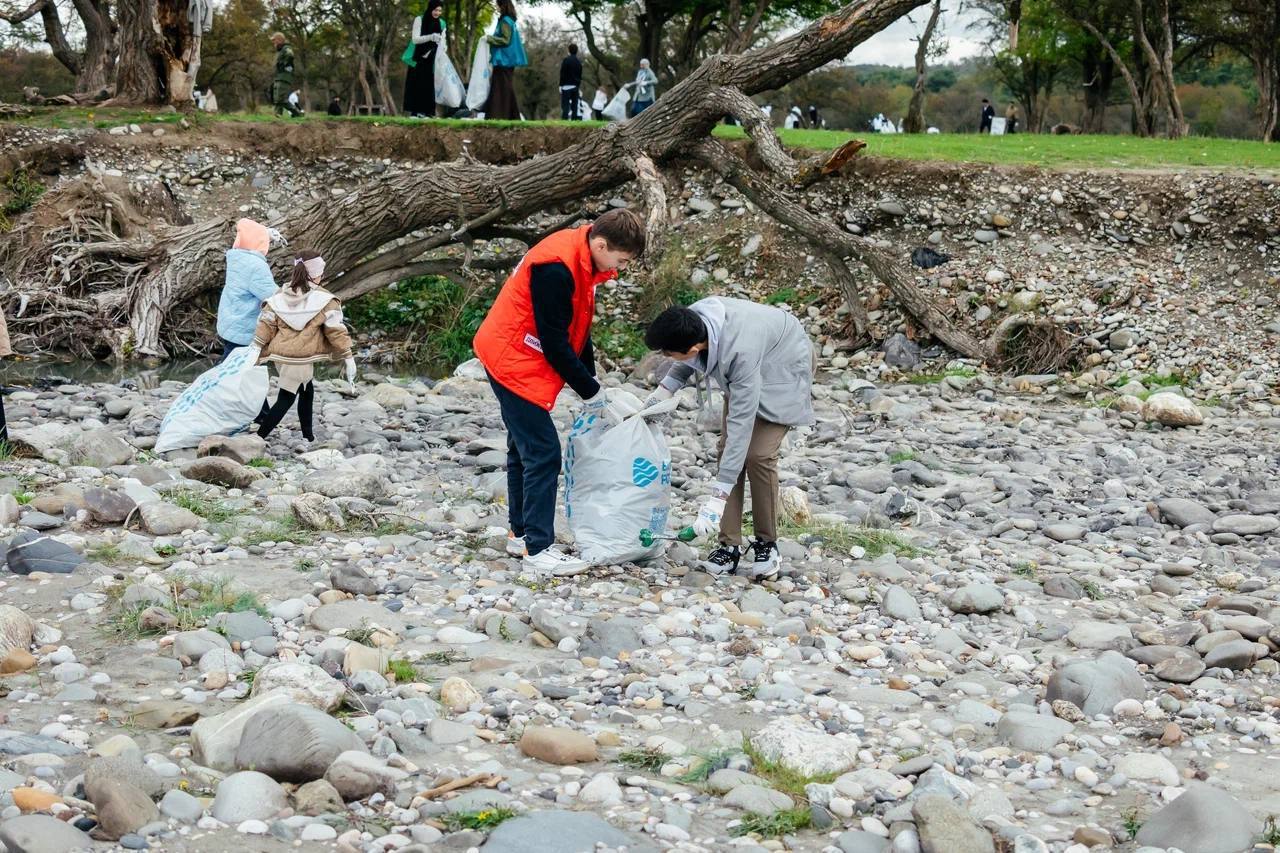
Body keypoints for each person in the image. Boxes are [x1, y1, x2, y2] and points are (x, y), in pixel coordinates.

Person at [472, 209, 646, 576]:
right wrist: (590, 393)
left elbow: (577, 327)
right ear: (600, 244)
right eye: (622, 259)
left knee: (522, 448)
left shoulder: (582, 257)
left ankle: (520, 534)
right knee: (544, 453)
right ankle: (538, 551)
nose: (623, 267)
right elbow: (554, 343)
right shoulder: (556, 269)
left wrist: (593, 381)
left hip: (518, 352)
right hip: (511, 358)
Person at [642, 298, 814, 579]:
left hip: (784, 365)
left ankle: (766, 544)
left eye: (668, 352)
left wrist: (716, 499)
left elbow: (741, 424)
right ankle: (728, 546)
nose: (667, 357)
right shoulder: (693, 320)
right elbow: (687, 359)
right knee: (728, 455)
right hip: (753, 357)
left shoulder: (740, 352)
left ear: (694, 346)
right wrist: (663, 391)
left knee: (757, 454)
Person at [247, 250, 356, 441]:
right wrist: (348, 355)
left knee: (307, 391)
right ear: (315, 274)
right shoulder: (323, 299)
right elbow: (335, 329)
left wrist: (257, 346)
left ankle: (308, 436)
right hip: (301, 357)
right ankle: (258, 437)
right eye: (321, 272)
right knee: (286, 398)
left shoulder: (281, 293)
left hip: (282, 355)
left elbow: (267, 322)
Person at [217, 219, 279, 362]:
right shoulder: (256, 265)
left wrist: (264, 233)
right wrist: (289, 294)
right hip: (243, 326)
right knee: (238, 364)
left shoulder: (237, 258)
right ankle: (223, 383)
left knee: (229, 359)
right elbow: (270, 294)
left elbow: (250, 233)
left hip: (230, 320)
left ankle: (218, 380)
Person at [485, 0, 527, 120]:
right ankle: (508, 115)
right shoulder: (509, 20)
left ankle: (501, 115)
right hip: (506, 60)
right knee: (503, 86)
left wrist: (489, 39)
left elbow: (505, 40)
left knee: (501, 87)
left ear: (502, 5)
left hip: (504, 60)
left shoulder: (505, 21)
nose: (497, 8)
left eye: (498, 5)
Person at [404, 0, 445, 118]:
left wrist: (443, 45)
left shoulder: (442, 23)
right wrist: (431, 37)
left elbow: (443, 40)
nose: (437, 13)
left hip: (432, 58)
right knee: (416, 83)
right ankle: (415, 112)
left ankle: (428, 112)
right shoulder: (420, 19)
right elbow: (415, 39)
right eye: (436, 10)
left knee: (429, 84)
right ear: (430, 8)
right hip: (418, 57)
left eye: (440, 10)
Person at [271, 33, 301, 117]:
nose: (274, 44)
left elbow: (290, 55)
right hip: (279, 76)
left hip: (284, 76)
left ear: (279, 40)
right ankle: (278, 115)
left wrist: (284, 64)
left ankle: (297, 113)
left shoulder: (286, 48)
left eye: (275, 41)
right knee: (277, 98)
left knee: (281, 98)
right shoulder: (281, 50)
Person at [559, 43, 582, 121]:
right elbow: (580, 74)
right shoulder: (579, 62)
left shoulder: (566, 60)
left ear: (569, 50)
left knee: (565, 105)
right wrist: (578, 85)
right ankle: (574, 121)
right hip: (575, 86)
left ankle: (564, 120)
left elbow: (562, 73)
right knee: (574, 105)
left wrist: (560, 85)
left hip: (566, 86)